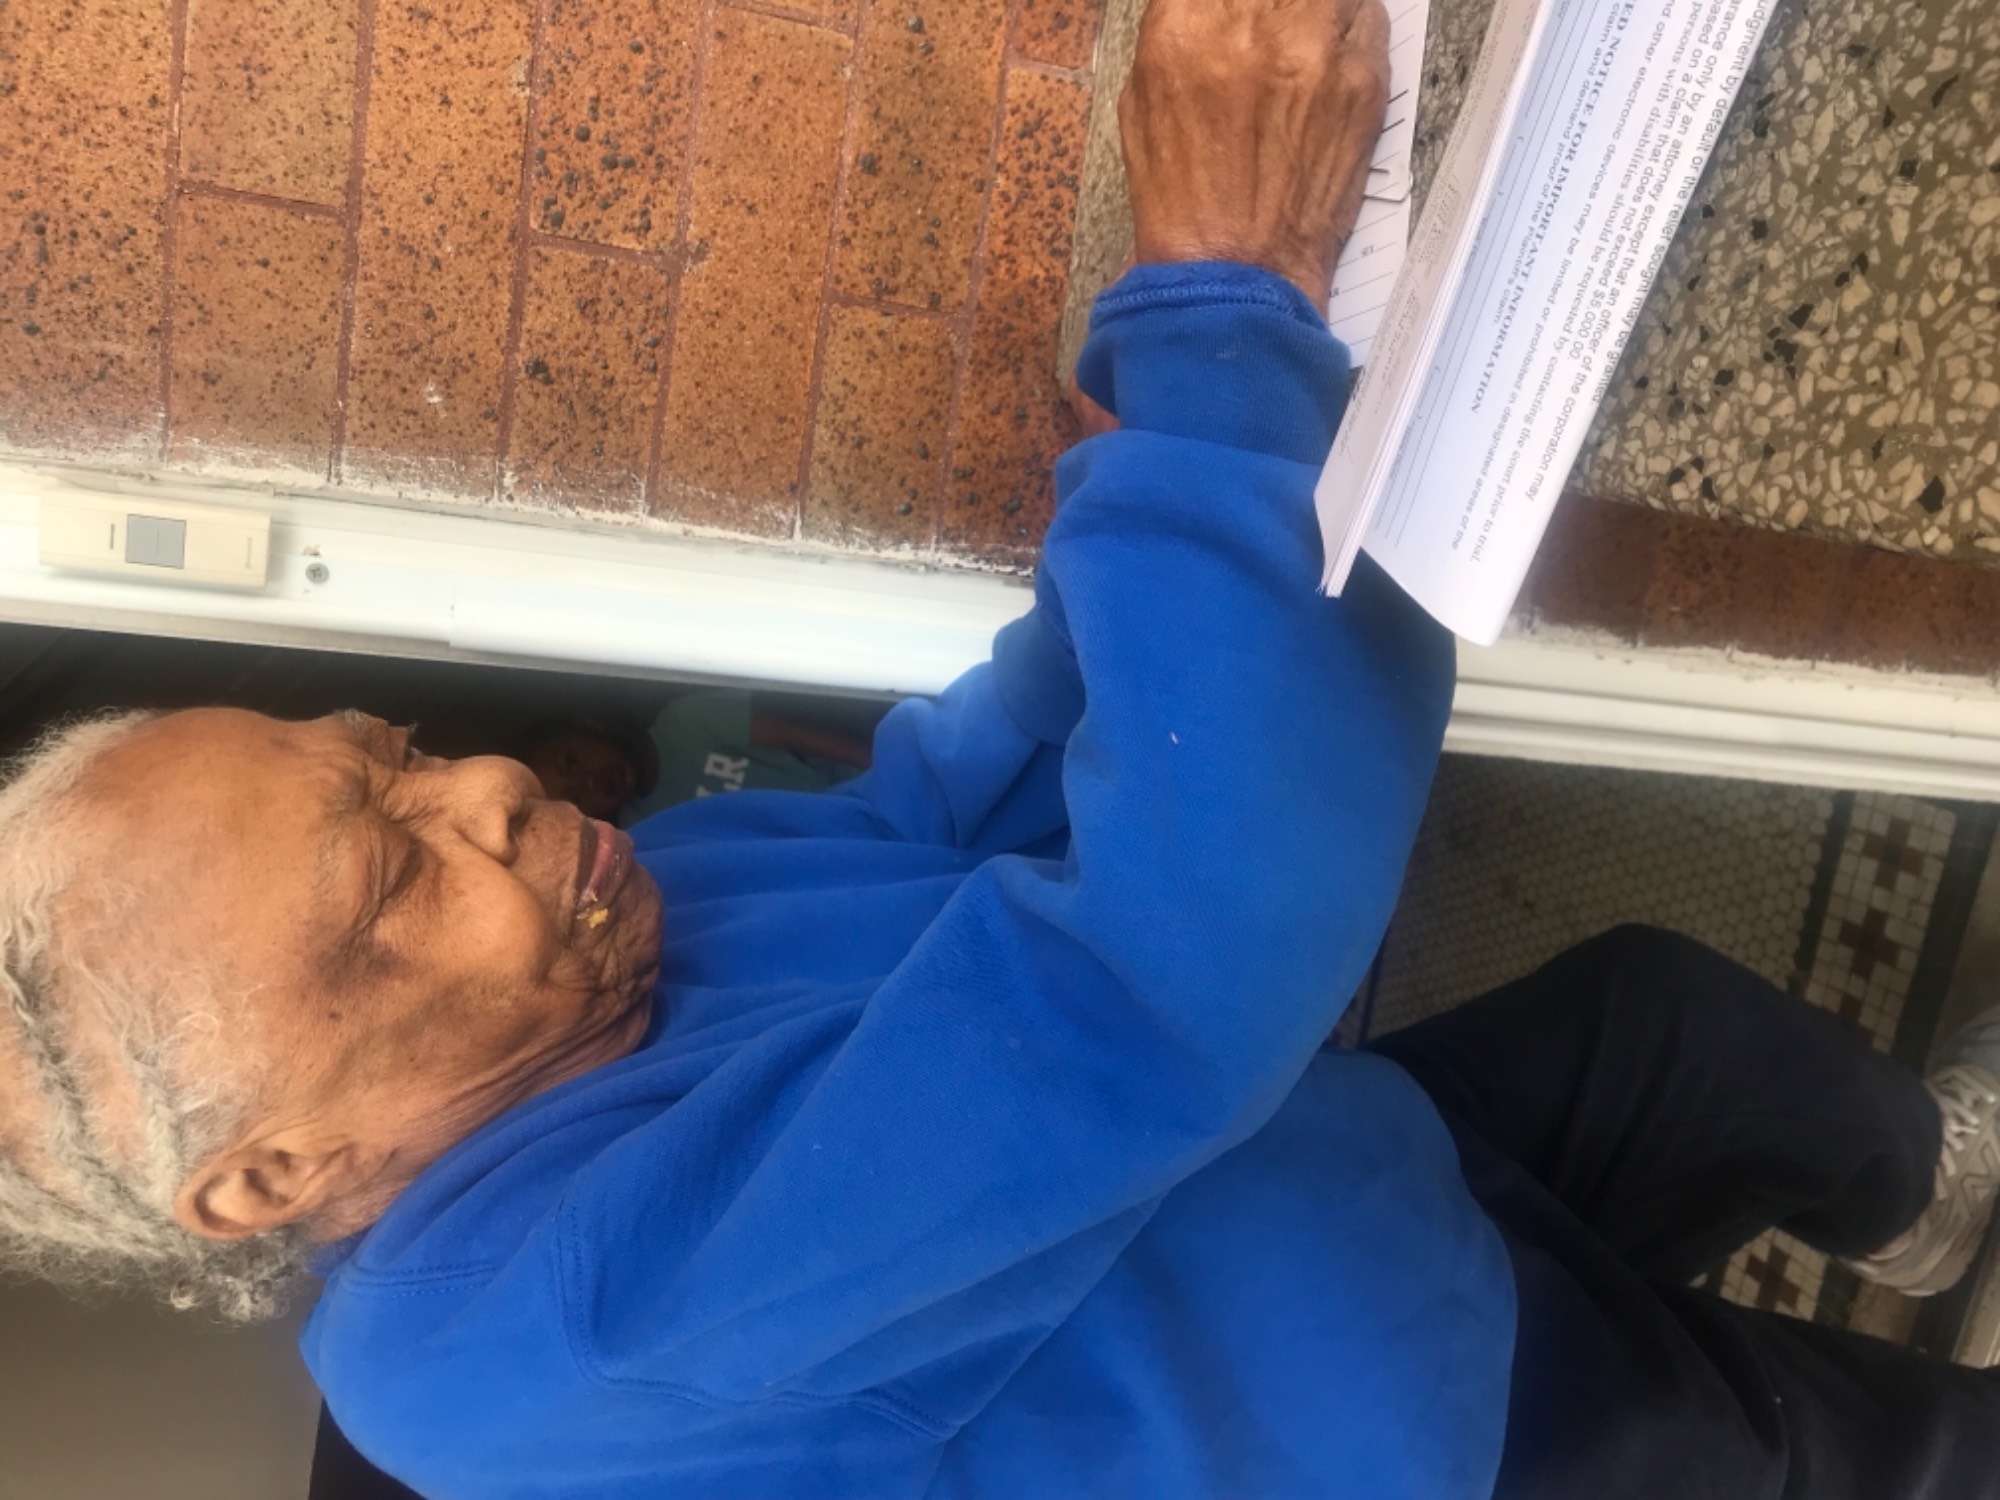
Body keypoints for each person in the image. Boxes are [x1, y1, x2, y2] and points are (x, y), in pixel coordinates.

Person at [3, 2, 2000, 1496]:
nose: (487, 791)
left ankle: (1919, 1195)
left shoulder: (610, 935)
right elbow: (1163, 962)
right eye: (393, 872)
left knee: (1655, 1028)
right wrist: (1223, 310)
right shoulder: (529, 1343)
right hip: (1431, 1433)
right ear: (273, 1173)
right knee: (1884, 1452)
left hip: (1323, 1180)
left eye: (391, 755)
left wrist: (1130, 532)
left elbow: (948, 805)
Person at [518, 690, 871, 825]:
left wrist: (878, 766)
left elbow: (797, 733)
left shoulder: (686, 722)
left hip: (855, 781)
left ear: (587, 728)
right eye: (576, 798)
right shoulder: (645, 831)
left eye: (572, 762)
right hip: (833, 840)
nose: (589, 781)